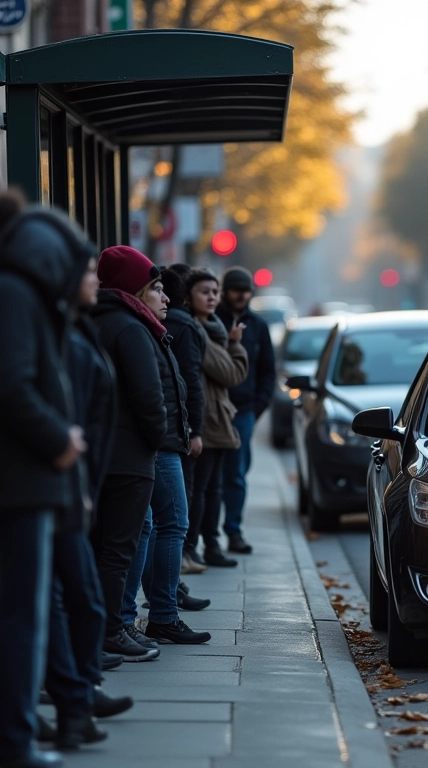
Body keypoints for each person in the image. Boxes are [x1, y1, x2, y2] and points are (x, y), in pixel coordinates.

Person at [0, 191, 91, 768]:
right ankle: (15, 743)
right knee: (22, 617)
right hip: (23, 483)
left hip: (28, 482)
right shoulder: (16, 295)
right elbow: (11, 385)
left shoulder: (20, 293)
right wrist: (60, 440)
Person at [40, 256, 133, 752]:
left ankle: (77, 697)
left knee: (75, 599)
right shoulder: (55, 333)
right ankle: (73, 699)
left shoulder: (73, 328)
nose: (94, 281)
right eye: (86, 273)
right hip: (52, 489)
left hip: (70, 487)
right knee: (68, 599)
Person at [89, 245, 169, 663]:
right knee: (119, 550)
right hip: (129, 456)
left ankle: (101, 630)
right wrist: (156, 439)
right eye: (156, 287)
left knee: (100, 545)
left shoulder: (93, 321)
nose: (164, 296)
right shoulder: (132, 328)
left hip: (100, 453)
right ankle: (109, 631)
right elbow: (148, 397)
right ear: (136, 288)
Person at [186, 270, 248, 567]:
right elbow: (231, 373)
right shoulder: (197, 331)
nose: (212, 297)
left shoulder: (210, 328)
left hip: (215, 419)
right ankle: (195, 547)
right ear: (189, 296)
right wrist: (235, 345)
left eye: (214, 291)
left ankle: (209, 545)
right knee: (203, 490)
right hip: (207, 422)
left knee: (212, 489)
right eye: (204, 292)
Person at [215, 266, 275, 554]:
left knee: (237, 472)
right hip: (215, 409)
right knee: (214, 474)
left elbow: (267, 372)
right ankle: (209, 534)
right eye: (236, 289)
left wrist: (257, 407)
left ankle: (234, 531)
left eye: (246, 290)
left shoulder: (259, 327)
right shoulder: (213, 321)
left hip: (243, 410)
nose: (242, 295)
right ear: (225, 291)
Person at [160, 267, 206, 577]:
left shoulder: (165, 324)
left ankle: (170, 592)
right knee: (175, 518)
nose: (161, 299)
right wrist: (195, 430)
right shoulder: (184, 326)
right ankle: (168, 595)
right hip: (171, 433)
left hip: (169, 431)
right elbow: (189, 379)